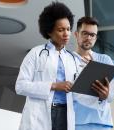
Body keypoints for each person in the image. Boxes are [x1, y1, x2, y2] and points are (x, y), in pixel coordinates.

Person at [15, 2, 77, 130]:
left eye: (68, 29)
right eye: (61, 30)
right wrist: (53, 85)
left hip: (66, 114)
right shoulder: (36, 53)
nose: (66, 34)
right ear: (49, 31)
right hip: (40, 114)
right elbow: (20, 86)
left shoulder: (72, 59)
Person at [72, 16, 113, 130]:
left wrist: (105, 95)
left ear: (95, 38)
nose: (88, 38)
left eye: (92, 35)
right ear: (76, 34)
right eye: (85, 33)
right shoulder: (66, 60)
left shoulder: (105, 60)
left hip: (101, 123)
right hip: (76, 123)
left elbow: (112, 95)